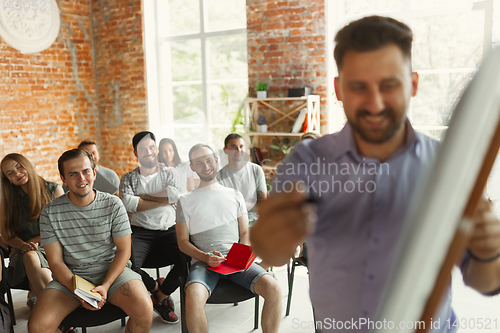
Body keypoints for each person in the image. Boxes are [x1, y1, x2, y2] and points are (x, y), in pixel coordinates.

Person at [250, 16, 500, 332]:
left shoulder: (449, 168)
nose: (375, 103)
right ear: (339, 89)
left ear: (412, 84)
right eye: (358, 87)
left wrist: (489, 252)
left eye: (389, 84)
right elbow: (276, 254)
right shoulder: (306, 161)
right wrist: (268, 239)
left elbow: (486, 282)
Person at [28, 149, 152, 333]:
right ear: (63, 179)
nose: (81, 178)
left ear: (94, 173)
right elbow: (55, 262)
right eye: (73, 174)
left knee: (145, 310)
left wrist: (106, 285)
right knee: (37, 327)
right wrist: (79, 291)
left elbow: (124, 251)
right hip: (71, 278)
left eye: (86, 171)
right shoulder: (50, 212)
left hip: (113, 274)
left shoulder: (113, 204)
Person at [176, 144, 282, 333]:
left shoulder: (235, 195)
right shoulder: (185, 200)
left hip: (235, 261)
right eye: (198, 162)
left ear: (216, 160)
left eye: (209, 160)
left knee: (273, 288)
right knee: (193, 295)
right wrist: (205, 256)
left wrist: (240, 254)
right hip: (204, 263)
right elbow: (182, 242)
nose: (205, 165)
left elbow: (244, 233)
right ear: (192, 167)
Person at [120, 131, 183, 324]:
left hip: (169, 229)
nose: (148, 151)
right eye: (142, 149)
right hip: (140, 231)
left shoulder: (170, 172)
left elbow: (175, 194)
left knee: (186, 261)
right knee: (127, 265)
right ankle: (156, 288)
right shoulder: (128, 178)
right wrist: (162, 200)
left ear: (156, 149)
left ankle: (160, 297)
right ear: (135, 153)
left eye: (151, 147)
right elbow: (129, 203)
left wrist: (144, 197)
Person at [0, 153, 64, 309]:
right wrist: (22, 245)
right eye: (10, 173)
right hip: (23, 251)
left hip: (53, 246)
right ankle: (59, 316)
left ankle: (50, 313)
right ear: (8, 179)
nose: (17, 174)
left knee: (33, 261)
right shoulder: (8, 200)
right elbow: (6, 235)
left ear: (27, 164)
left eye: (19, 167)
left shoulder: (54, 190)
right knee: (30, 257)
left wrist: (33, 242)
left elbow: (63, 228)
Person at [217, 133, 267, 226]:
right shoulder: (219, 176)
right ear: (225, 150)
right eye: (233, 147)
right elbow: (223, 206)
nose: (238, 150)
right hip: (232, 222)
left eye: (241, 146)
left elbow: (263, 201)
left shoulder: (256, 170)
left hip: (255, 220)